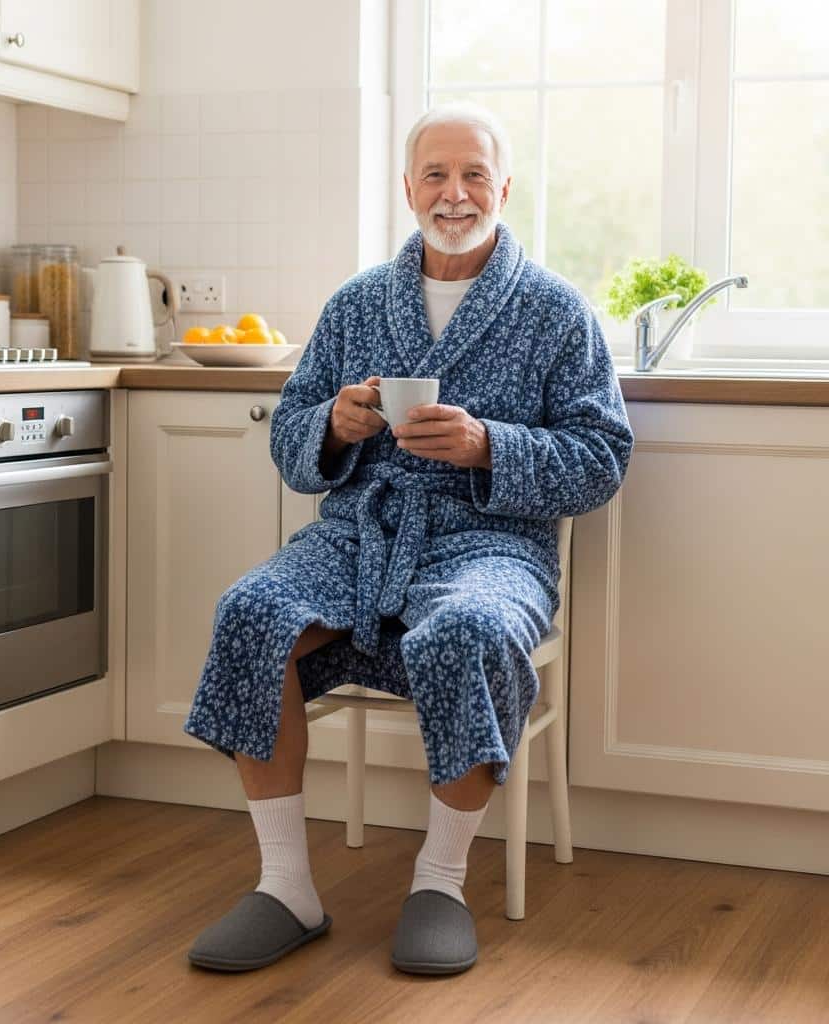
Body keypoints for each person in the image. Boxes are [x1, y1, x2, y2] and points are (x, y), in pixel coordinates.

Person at [183, 103, 634, 975]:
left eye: (473, 176)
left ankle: (440, 880)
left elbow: (602, 455)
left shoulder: (555, 312)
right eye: (435, 174)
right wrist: (336, 425)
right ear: (407, 188)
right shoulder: (356, 304)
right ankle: (285, 887)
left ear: (504, 188)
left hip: (489, 542)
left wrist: (487, 445)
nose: (454, 193)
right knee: (251, 612)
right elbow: (289, 436)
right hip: (361, 529)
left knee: (470, 628)